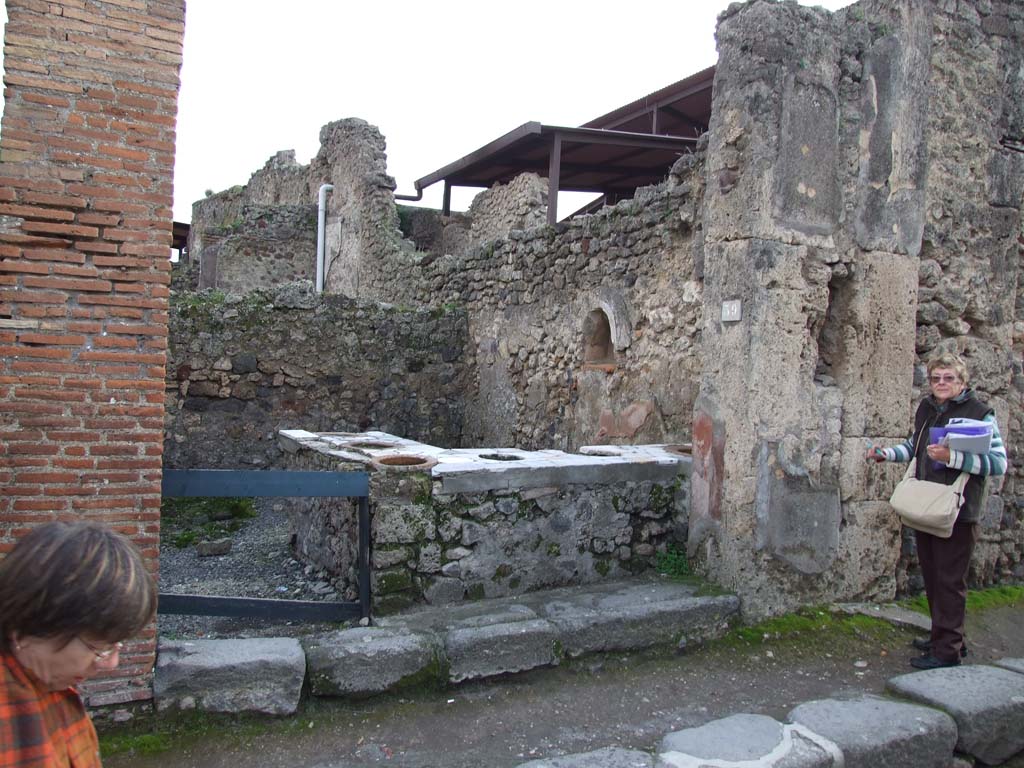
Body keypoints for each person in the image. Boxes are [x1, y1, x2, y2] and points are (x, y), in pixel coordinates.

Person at [865, 352, 1007, 670]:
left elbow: (998, 462)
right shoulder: (928, 409)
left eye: (949, 378)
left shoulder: (979, 413)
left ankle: (947, 652)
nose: (941, 384)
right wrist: (886, 454)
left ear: (962, 381)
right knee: (932, 576)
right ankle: (943, 636)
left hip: (958, 509)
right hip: (929, 503)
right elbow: (915, 446)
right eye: (936, 378)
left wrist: (952, 458)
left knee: (949, 581)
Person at [0, 521, 157, 767]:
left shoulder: (49, 683)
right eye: (100, 648)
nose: (111, 663)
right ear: (36, 622)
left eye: (116, 645)